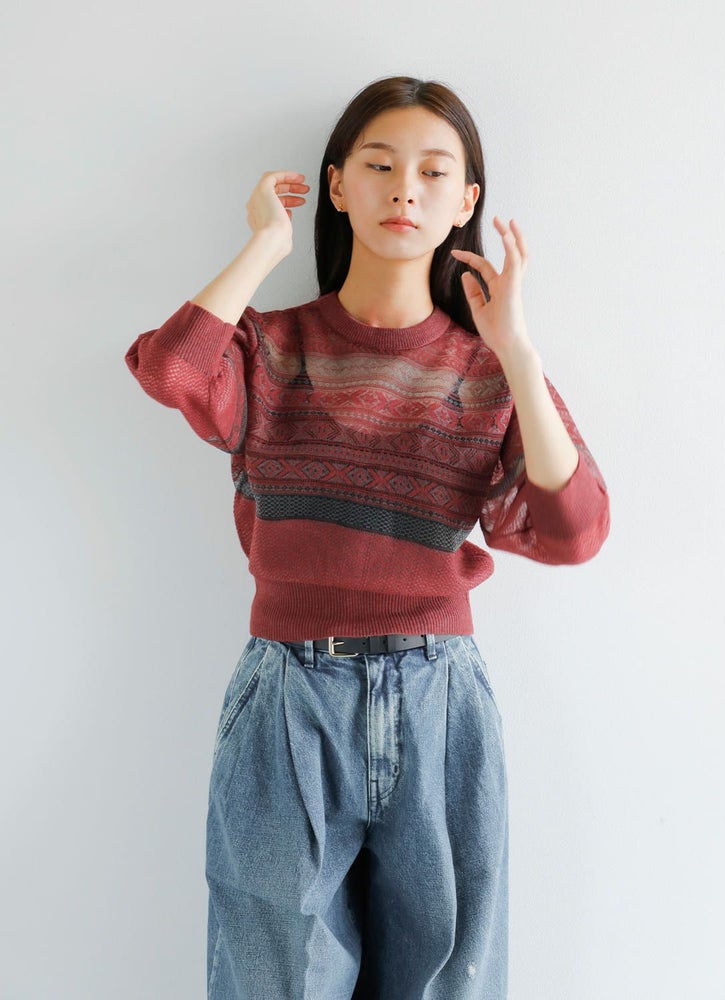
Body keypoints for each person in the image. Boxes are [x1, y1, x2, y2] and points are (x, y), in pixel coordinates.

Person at [125, 74, 610, 1000]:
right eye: (380, 166)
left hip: (440, 700)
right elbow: (171, 371)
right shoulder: (270, 349)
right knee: (273, 978)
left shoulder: (487, 370)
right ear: (338, 185)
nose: (404, 191)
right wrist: (264, 244)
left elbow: (575, 528)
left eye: (433, 172)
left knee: (447, 982)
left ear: (465, 202)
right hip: (286, 696)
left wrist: (519, 352)